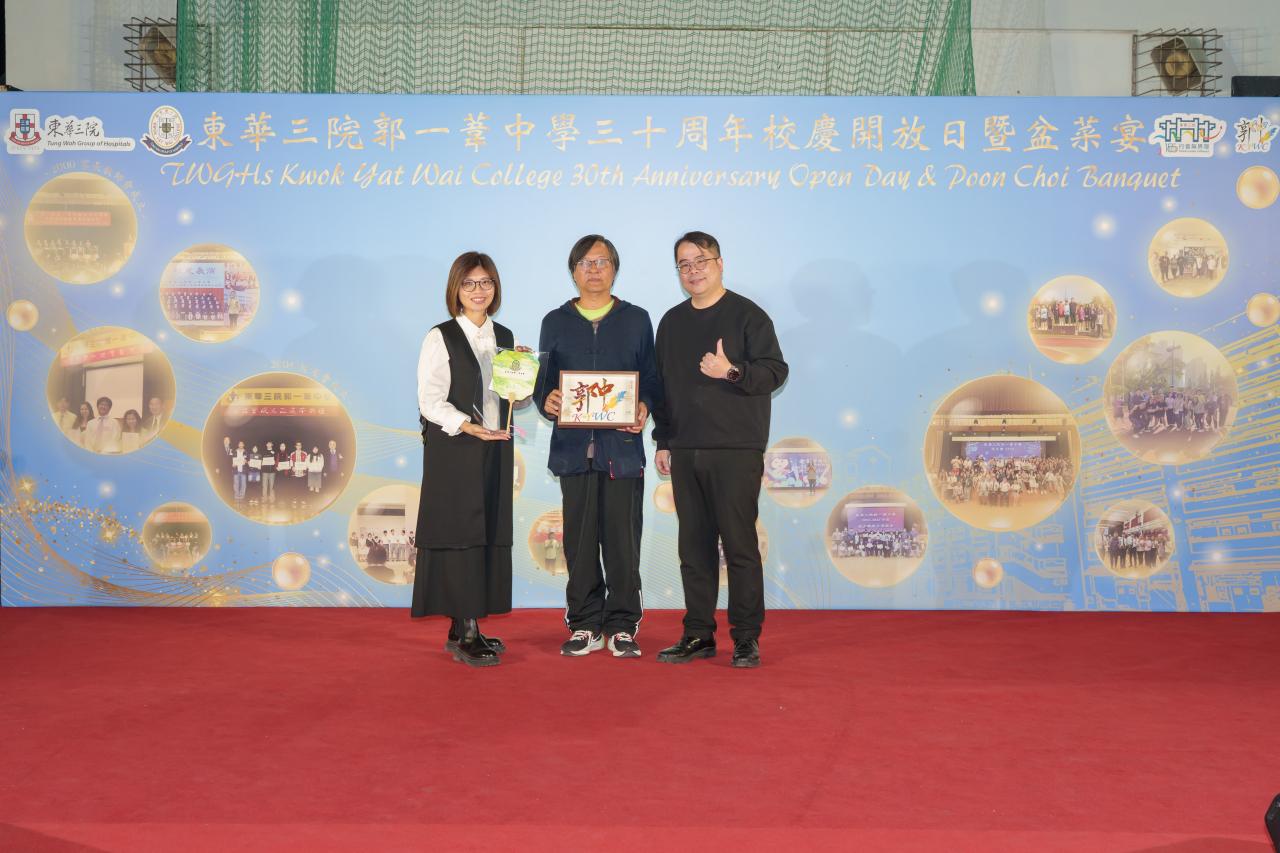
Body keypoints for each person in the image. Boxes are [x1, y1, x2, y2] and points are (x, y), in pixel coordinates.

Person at [652, 231, 788, 669]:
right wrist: (664, 440)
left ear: (720, 263)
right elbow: (662, 388)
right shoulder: (671, 322)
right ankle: (698, 634)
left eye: (701, 261)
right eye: (684, 264)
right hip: (685, 449)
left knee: (740, 545)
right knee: (693, 548)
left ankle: (746, 637)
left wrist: (731, 371)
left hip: (735, 449)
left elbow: (774, 372)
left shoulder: (748, 315)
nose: (693, 271)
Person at [534, 234, 661, 659]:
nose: (594, 269)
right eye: (585, 262)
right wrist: (548, 400)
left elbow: (651, 378)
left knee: (623, 542)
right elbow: (543, 384)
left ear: (614, 269)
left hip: (621, 452)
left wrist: (643, 406)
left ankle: (622, 625)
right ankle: (585, 623)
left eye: (602, 261)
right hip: (574, 452)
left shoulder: (637, 319)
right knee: (580, 542)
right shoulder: (554, 321)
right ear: (573, 271)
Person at [412, 250, 517, 667]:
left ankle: (464, 625)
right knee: (460, 531)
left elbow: (511, 396)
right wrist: (467, 426)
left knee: (487, 527)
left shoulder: (505, 336)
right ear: (455, 289)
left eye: (486, 282)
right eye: (469, 283)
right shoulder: (440, 336)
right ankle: (466, 630)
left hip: (495, 447)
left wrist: (523, 382)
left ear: (495, 287)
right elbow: (429, 400)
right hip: (455, 447)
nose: (478, 290)